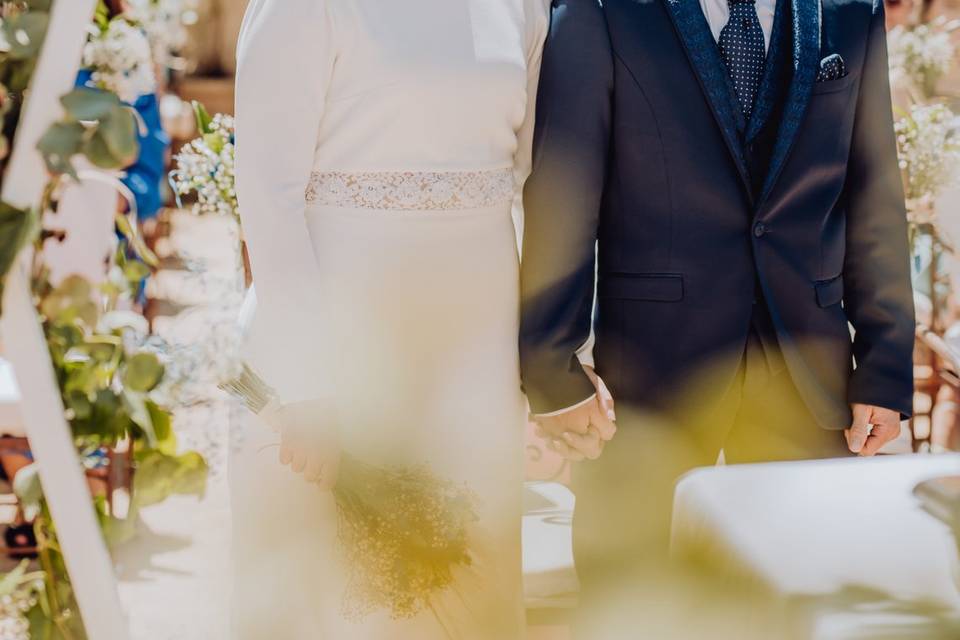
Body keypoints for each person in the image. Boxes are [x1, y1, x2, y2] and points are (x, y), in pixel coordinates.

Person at [520, 0, 916, 629]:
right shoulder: (602, 11)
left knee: (810, 602)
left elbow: (873, 193)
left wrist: (886, 362)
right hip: (648, 376)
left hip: (808, 374)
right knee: (627, 597)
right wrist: (551, 364)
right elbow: (563, 191)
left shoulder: (851, 10)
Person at [231, 1, 553, 637]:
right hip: (343, 337)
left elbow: (528, 179)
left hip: (476, 344)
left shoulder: (522, 6)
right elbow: (268, 197)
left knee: (470, 572)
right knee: (336, 586)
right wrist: (309, 384)